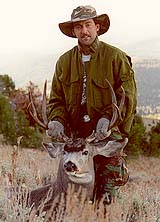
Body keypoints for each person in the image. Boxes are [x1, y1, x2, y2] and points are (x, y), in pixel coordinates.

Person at [47, 5, 137, 204]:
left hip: (106, 134)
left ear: (97, 27)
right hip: (75, 138)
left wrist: (106, 119)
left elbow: (127, 98)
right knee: (71, 198)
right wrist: (57, 120)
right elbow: (56, 100)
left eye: (88, 25)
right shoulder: (64, 61)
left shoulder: (115, 57)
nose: (84, 31)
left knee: (106, 197)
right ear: (73, 31)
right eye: (79, 27)